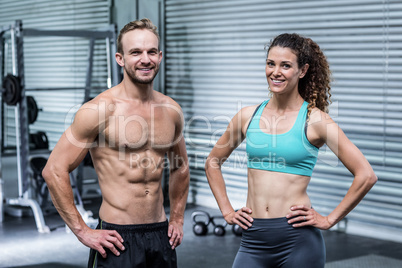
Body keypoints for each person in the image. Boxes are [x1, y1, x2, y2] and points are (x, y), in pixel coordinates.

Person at [205, 33, 377, 268]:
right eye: (270, 63)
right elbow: (213, 161)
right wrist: (226, 211)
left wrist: (328, 219)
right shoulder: (247, 116)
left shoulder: (316, 121)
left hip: (298, 241)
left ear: (302, 71)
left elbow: (366, 174)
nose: (275, 72)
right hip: (253, 241)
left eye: (285, 65)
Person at [42, 18, 190, 268]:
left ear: (160, 56)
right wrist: (82, 230)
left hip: (160, 235)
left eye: (151, 52)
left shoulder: (171, 109)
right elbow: (54, 170)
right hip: (117, 238)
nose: (145, 59)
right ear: (120, 58)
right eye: (136, 52)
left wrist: (177, 218)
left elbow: (180, 166)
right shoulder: (100, 110)